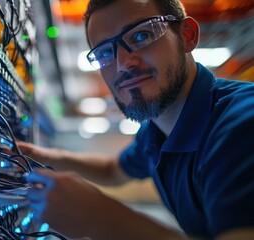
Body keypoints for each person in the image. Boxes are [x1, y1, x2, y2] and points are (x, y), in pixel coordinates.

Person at [17, 0, 254, 239]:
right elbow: (114, 171)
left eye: (141, 36)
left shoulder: (240, 128)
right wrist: (41, 156)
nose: (123, 64)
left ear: (187, 36)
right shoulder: (155, 131)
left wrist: (105, 221)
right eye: (105, 52)